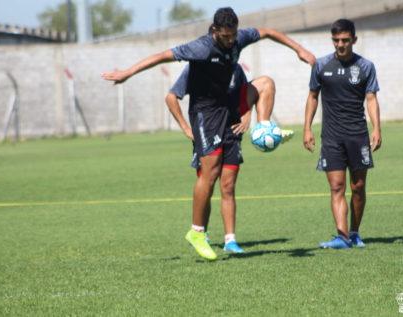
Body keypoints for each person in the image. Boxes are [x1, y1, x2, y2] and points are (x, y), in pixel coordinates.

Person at [103, 7, 316, 260]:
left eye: (233, 36)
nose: (230, 41)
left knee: (265, 82)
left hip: (227, 108)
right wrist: (127, 73)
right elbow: (162, 56)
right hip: (205, 112)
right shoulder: (201, 48)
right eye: (225, 36)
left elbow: (268, 31)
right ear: (215, 31)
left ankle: (264, 128)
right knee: (211, 171)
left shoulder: (239, 38)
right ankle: (196, 232)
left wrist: (298, 49)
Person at [166, 63, 285, 254]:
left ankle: (230, 240)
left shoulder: (235, 68)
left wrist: (247, 114)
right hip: (208, 128)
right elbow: (171, 97)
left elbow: (244, 94)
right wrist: (186, 128)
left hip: (231, 130)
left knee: (228, 186)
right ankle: (200, 234)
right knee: (208, 183)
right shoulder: (195, 68)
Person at [303, 19, 382, 249]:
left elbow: (371, 99)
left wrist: (377, 128)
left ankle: (355, 232)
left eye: (345, 40)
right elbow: (312, 96)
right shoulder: (321, 66)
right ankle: (342, 236)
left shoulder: (366, 66)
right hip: (331, 136)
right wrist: (307, 128)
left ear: (354, 40)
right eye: (336, 40)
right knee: (337, 186)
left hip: (358, 135)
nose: (340, 45)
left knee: (358, 187)